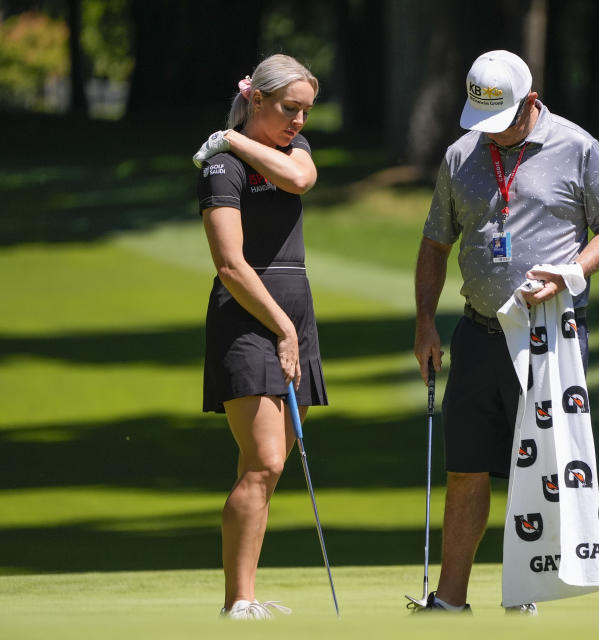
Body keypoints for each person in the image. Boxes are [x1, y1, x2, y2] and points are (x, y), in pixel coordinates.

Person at [412, 50, 599, 614]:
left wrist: (571, 273)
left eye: (502, 120)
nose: (491, 135)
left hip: (547, 338)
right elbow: (436, 243)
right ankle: (449, 601)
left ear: (531, 102)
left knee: (538, 470)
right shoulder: (461, 154)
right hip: (478, 333)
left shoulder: (577, 147)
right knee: (465, 468)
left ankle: (524, 596)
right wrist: (424, 324)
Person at [194, 53, 326, 620]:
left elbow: (299, 179)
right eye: (288, 108)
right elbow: (230, 265)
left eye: (305, 112)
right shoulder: (220, 173)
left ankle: (244, 598)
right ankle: (238, 601)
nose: (298, 122)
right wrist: (280, 327)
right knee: (265, 460)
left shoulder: (286, 152)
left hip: (293, 315)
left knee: (273, 464)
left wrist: (228, 137)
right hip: (249, 315)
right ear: (257, 100)